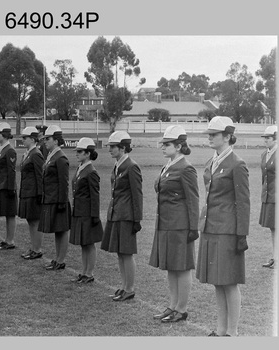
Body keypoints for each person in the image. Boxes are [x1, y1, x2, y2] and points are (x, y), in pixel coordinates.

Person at [198, 116, 250, 337]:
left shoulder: (237, 164)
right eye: (209, 134)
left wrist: (242, 235)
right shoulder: (212, 161)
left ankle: (232, 332)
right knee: (217, 282)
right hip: (210, 228)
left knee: (229, 282)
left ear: (227, 136)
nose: (210, 138)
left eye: (214, 134)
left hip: (228, 231)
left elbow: (244, 202)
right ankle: (221, 330)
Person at [149, 125, 200, 323]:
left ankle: (182, 308)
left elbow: (193, 199)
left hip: (180, 225)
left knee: (182, 267)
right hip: (166, 223)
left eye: (167, 144)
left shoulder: (186, 168)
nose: (162, 147)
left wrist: (193, 228)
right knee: (171, 266)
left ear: (179, 146)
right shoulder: (168, 165)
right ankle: (172, 305)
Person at [101, 131, 143, 302]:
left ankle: (130, 288)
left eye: (113, 147)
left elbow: (137, 195)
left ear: (123, 148)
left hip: (126, 216)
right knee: (120, 252)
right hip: (116, 214)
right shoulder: (119, 164)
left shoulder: (131, 166)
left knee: (126, 253)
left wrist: (136, 219)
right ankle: (124, 286)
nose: (110, 150)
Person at [70, 138, 103, 283]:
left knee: (89, 243)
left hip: (87, 213)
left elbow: (95, 196)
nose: (77, 154)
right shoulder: (80, 168)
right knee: (83, 243)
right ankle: (84, 271)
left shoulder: (91, 171)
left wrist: (95, 216)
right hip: (79, 211)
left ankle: (89, 273)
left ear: (88, 153)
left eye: (80, 151)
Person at [39, 125, 71, 270]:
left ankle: (61, 260)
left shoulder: (61, 158)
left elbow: (64, 182)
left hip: (58, 200)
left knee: (62, 229)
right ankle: (57, 258)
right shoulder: (51, 155)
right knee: (57, 230)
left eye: (48, 138)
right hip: (51, 198)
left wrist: (62, 201)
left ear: (56, 141)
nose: (45, 141)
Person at [18, 127, 45, 260]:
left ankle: (37, 249)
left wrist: (40, 194)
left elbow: (40, 176)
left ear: (33, 139)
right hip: (27, 191)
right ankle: (34, 247)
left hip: (34, 193)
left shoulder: (36, 154)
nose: (22, 140)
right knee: (30, 221)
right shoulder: (28, 153)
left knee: (35, 221)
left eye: (25, 137)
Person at [0, 123, 18, 251]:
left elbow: (11, 171)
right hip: (2, 185)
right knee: (7, 214)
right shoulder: (3, 149)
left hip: (7, 186)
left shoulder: (10, 150)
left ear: (4, 135)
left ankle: (10, 240)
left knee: (10, 214)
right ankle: (8, 239)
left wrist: (11, 188)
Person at [259, 125, 277, 269]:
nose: (265, 140)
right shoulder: (264, 154)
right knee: (273, 228)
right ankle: (275, 257)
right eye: (264, 137)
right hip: (268, 196)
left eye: (268, 137)